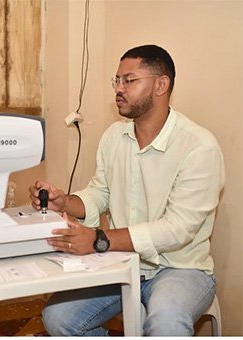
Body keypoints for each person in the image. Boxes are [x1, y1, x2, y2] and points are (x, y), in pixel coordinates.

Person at [29, 45, 225, 336]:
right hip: (122, 260)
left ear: (161, 84)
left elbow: (178, 229)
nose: (118, 89)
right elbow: (101, 193)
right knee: (58, 317)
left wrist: (98, 240)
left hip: (180, 269)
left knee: (166, 321)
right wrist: (65, 202)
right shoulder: (114, 136)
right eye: (116, 81)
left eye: (129, 81)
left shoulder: (199, 147)